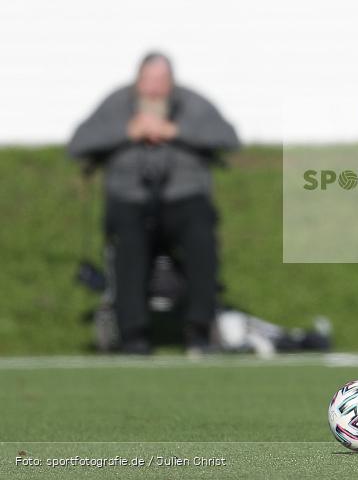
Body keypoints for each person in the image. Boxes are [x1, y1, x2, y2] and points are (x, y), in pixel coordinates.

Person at [67, 52, 240, 355]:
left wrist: (175, 132)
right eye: (148, 81)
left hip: (184, 199)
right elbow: (79, 143)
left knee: (201, 232)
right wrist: (127, 132)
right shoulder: (117, 105)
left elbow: (228, 138)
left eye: (161, 81)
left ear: (171, 82)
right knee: (128, 242)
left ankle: (199, 329)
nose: (154, 89)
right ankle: (133, 334)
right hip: (129, 200)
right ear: (138, 80)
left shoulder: (192, 104)